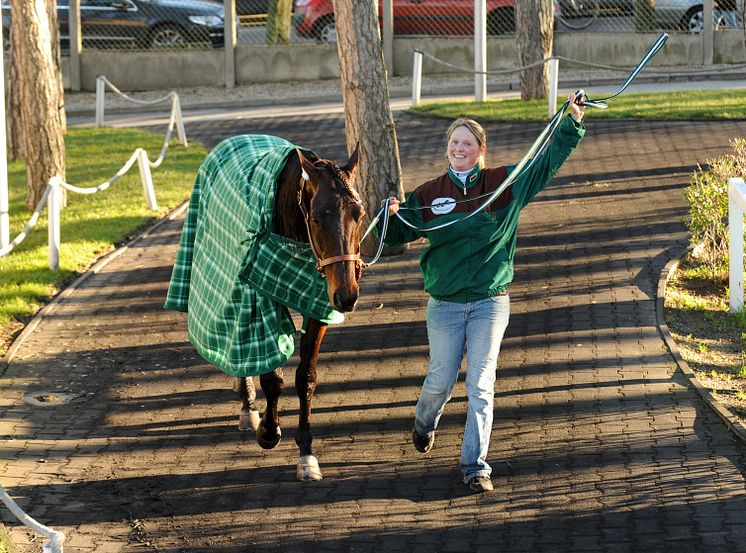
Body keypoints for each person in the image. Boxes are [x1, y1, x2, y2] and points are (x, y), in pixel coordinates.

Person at [378, 93, 586, 493]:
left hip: (491, 301)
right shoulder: (428, 194)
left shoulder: (504, 184)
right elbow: (399, 234)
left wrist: (571, 122)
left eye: (467, 143)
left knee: (481, 385)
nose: (460, 148)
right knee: (440, 379)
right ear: (447, 150)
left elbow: (546, 162)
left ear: (480, 150)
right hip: (446, 304)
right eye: (454, 143)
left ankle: (475, 466)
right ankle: (424, 423)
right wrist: (389, 215)